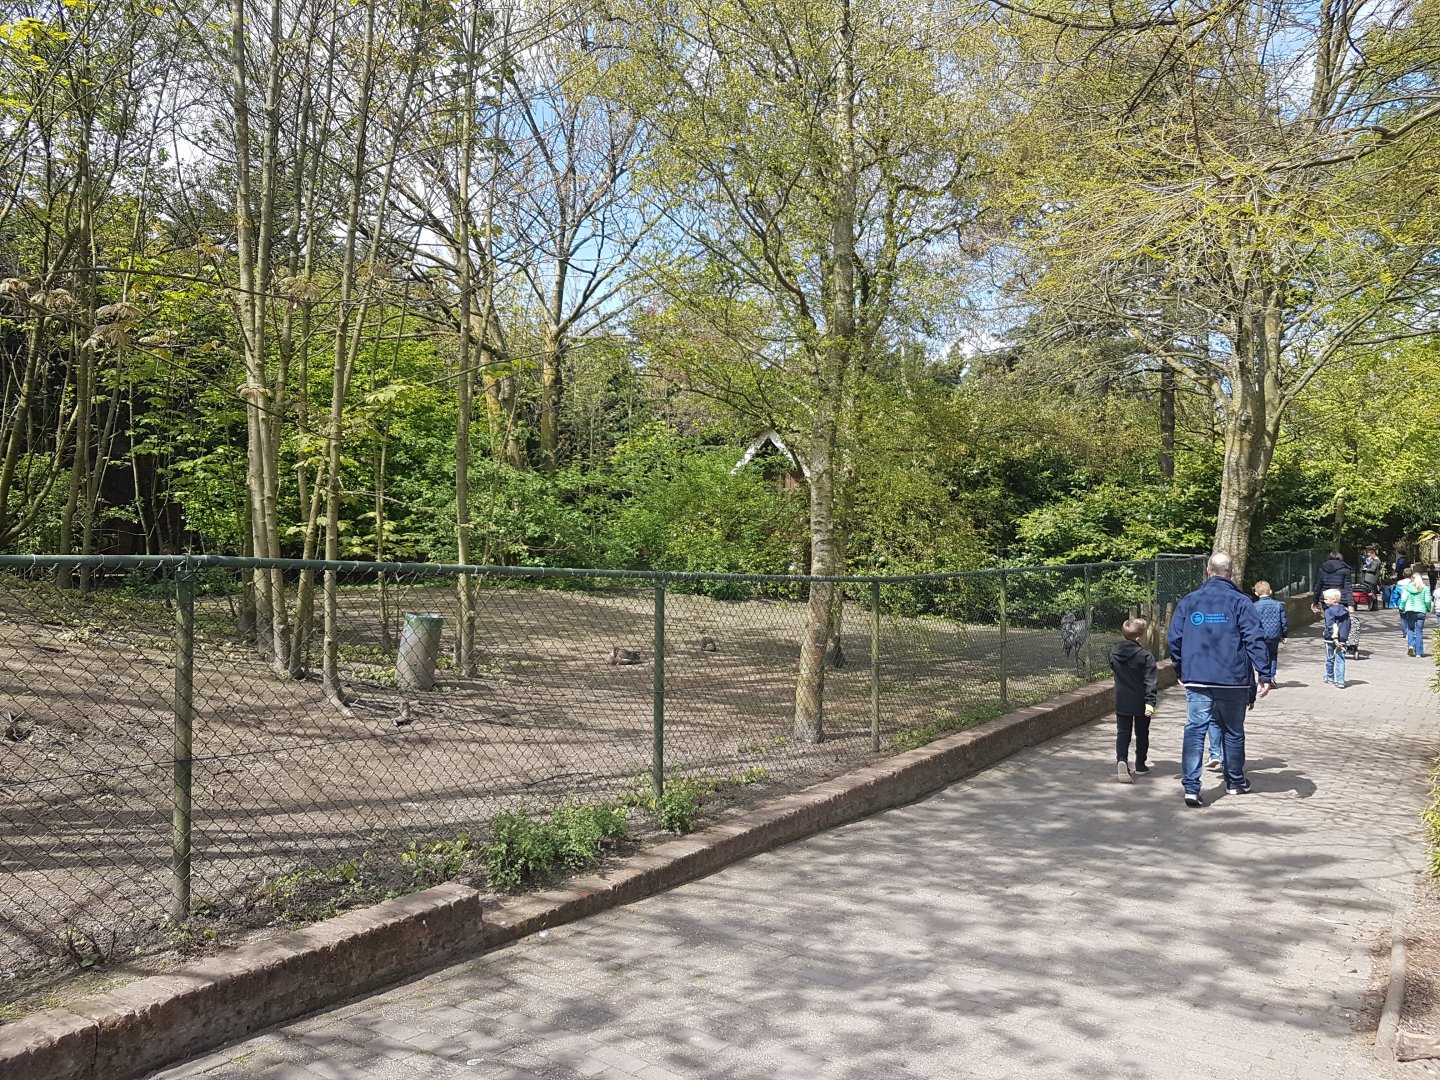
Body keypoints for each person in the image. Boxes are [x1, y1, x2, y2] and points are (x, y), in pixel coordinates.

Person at [1168, 552, 1271, 807]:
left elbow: (1175, 639)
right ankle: (1235, 782)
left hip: (1197, 677)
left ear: (1207, 570)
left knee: (1194, 730)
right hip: (1232, 678)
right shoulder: (1241, 602)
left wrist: (1180, 669)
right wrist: (1264, 674)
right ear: (1231, 572)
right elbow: (1254, 638)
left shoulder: (1189, 601)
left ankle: (1191, 787)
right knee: (1233, 731)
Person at [1109, 617, 1158, 784]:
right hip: (1141, 701)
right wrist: (1150, 703)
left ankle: (1121, 760)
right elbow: (1150, 681)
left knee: (1123, 732)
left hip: (1121, 699)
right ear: (1139, 638)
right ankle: (1140, 764)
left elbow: (1113, 667)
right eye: (1144, 636)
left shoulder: (1114, 651)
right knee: (1142, 733)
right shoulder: (1146, 656)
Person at [1252, 580, 1288, 686]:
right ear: (1270, 591)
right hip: (1274, 635)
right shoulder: (1278, 605)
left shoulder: (1254, 606)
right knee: (1273, 655)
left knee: (1261, 656)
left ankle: (1263, 677)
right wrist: (1284, 634)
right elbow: (1283, 621)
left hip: (1260, 636)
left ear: (1256, 593)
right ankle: (1271, 676)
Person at [1397, 567, 1432, 658]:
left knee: (1410, 629)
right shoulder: (1425, 588)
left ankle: (1411, 645)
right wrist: (1428, 609)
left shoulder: (1407, 588)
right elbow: (1428, 601)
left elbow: (1404, 599)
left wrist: (1401, 608)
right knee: (1419, 630)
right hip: (1421, 611)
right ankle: (1419, 653)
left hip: (1410, 610)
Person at [1321, 588, 1351, 688]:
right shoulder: (1345, 611)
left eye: (1326, 599)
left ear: (1333, 599)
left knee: (1330, 658)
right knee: (1340, 659)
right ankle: (1340, 681)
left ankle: (1330, 677)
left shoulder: (1328, 611)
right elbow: (1348, 625)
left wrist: (1335, 638)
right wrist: (1343, 637)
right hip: (1342, 638)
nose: (1324, 601)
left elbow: (1330, 625)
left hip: (1330, 638)